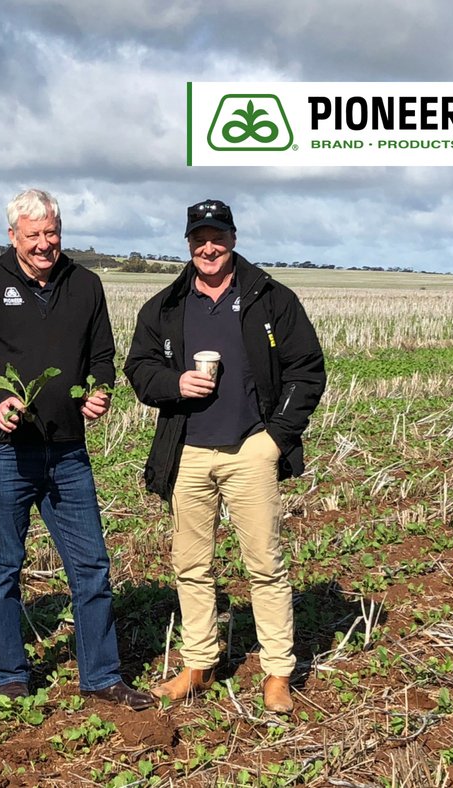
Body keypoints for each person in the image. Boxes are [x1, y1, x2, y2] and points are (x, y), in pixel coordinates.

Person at [0, 188, 154, 711]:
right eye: (33, 235)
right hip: (4, 452)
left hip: (67, 452)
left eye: (52, 233)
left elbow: (103, 356)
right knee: (4, 568)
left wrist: (100, 389)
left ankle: (102, 676)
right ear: (12, 235)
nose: (44, 244)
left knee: (92, 567)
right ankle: (11, 676)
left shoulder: (84, 285)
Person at [124, 199, 326, 712]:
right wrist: (174, 382)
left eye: (217, 237)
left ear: (232, 239)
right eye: (199, 238)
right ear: (188, 243)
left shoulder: (270, 299)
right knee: (191, 564)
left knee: (265, 564)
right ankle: (198, 663)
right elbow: (139, 369)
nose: (208, 247)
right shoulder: (166, 305)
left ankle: (278, 671)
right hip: (187, 451)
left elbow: (307, 369)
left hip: (250, 451)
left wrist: (276, 436)